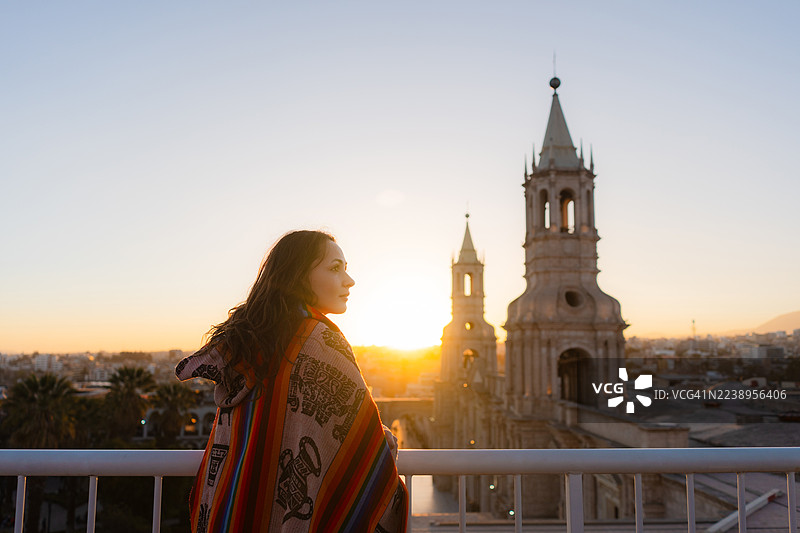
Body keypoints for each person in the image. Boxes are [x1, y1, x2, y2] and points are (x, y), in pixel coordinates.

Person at [175, 230, 407, 533]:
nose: (349, 280)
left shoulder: (250, 340)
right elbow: (362, 437)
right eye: (335, 268)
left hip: (234, 505)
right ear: (299, 276)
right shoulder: (321, 341)